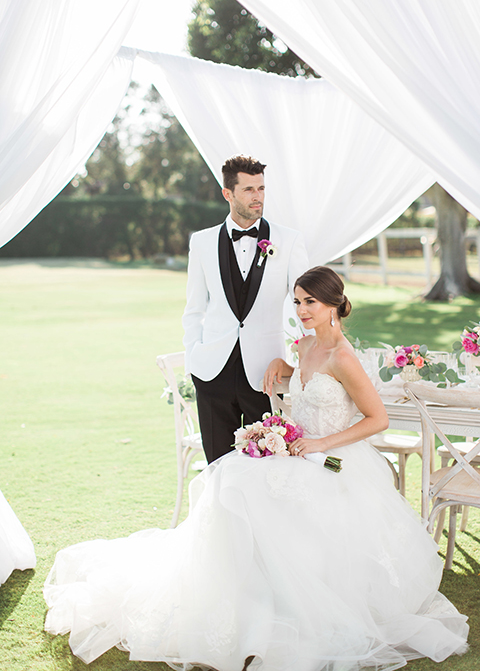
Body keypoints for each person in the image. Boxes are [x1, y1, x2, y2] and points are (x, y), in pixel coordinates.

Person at [43, 266, 469, 670]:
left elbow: (378, 419)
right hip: (294, 452)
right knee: (230, 482)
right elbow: (296, 385)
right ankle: (239, 602)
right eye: (299, 301)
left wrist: (320, 442)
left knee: (256, 496)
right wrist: (282, 369)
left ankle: (287, 606)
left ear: (335, 305)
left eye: (312, 303)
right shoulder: (304, 345)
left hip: (333, 461)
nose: (302, 311)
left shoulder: (343, 356)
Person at [182, 154, 309, 462]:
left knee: (270, 465)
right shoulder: (201, 243)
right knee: (218, 465)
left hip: (265, 373)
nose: (258, 197)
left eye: (261, 189)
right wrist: (194, 358)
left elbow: (305, 306)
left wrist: (307, 357)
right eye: (249, 189)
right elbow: (194, 308)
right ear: (228, 193)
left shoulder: (288, 241)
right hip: (213, 372)